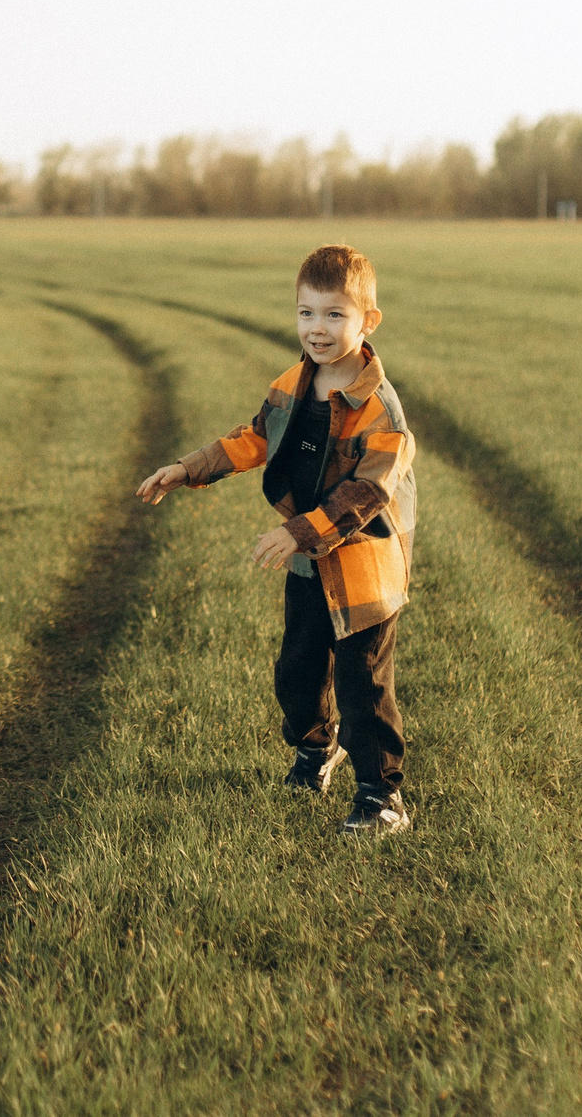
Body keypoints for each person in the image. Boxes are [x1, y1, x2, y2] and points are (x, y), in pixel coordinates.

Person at [136, 244, 419, 834]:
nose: (317, 328)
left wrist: (297, 533)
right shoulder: (293, 383)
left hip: (363, 564)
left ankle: (381, 796)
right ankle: (317, 750)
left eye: (334, 315)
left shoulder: (379, 412)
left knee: (361, 681)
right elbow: (255, 437)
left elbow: (367, 496)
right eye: (306, 313)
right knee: (297, 670)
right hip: (309, 562)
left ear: (368, 321)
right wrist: (187, 468)